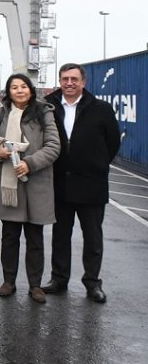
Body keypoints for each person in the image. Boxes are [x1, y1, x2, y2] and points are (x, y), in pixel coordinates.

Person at [43, 63, 121, 303]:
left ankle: (92, 282)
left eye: (74, 79)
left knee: (93, 237)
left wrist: (96, 165)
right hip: (60, 184)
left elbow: (113, 143)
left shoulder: (101, 109)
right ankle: (59, 278)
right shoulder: (49, 107)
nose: (69, 83)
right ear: (60, 80)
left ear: (83, 82)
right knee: (60, 235)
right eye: (65, 78)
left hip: (91, 185)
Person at [0, 73, 60, 302]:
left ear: (30, 89)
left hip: (37, 183)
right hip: (10, 185)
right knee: (9, 236)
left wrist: (30, 163)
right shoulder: (0, 114)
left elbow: (54, 146)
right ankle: (8, 282)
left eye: (23, 86)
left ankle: (35, 285)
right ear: (8, 92)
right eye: (14, 87)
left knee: (35, 237)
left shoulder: (44, 113)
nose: (19, 90)